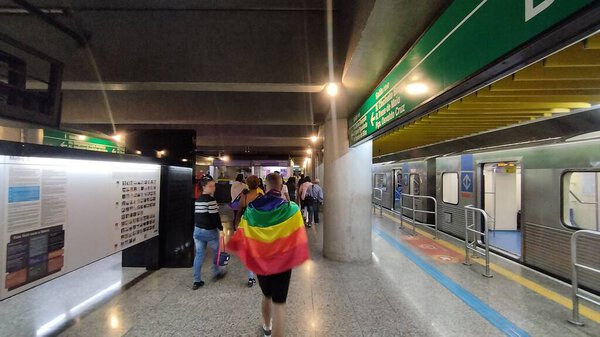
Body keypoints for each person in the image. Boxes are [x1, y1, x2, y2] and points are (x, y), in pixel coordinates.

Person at [227, 173, 309, 337]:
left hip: (261, 261)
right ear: (280, 187)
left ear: (265, 187)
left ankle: (266, 326)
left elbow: (242, 234)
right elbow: (298, 235)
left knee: (266, 295)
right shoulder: (291, 208)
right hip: (283, 263)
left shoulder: (251, 209)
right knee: (279, 303)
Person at [192, 177, 226, 290]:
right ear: (204, 187)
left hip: (197, 231)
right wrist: (221, 229)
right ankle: (216, 272)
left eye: (214, 185)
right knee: (216, 252)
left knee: (199, 254)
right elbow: (215, 217)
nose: (213, 188)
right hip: (209, 231)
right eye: (210, 186)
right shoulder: (211, 200)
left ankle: (197, 280)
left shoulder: (198, 200)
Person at [235, 175, 264, 288]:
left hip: (247, 227)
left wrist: (236, 224)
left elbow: (239, 212)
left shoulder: (245, 197)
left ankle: (251, 278)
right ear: (258, 184)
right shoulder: (261, 196)